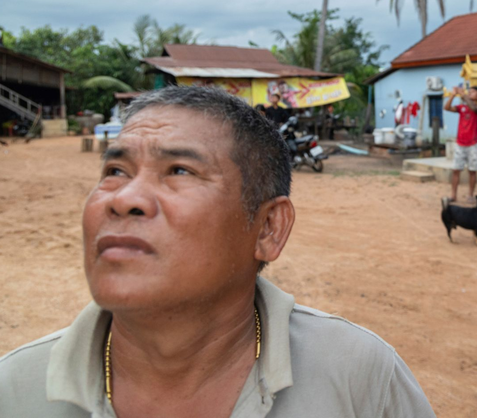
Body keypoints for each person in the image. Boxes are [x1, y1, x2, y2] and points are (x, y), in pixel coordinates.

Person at [0, 86, 437, 418]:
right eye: (115, 170)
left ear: (268, 228)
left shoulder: (358, 377)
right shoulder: (16, 391)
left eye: (179, 170)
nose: (124, 198)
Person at [445, 85, 477, 203]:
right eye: (469, 92)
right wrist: (452, 95)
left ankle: (470, 195)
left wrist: (463, 95)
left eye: (472, 92)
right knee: (456, 170)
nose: (469, 93)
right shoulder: (462, 107)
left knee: (472, 171)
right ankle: (453, 195)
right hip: (460, 143)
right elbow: (447, 108)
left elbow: (474, 108)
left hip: (474, 144)